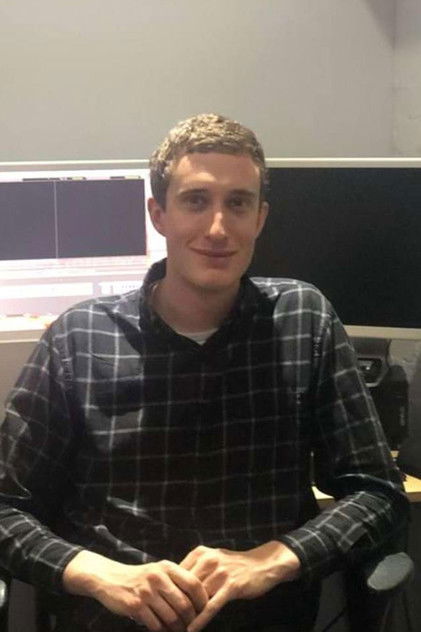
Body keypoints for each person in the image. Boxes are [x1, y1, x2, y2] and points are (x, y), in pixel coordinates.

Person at [0, 113, 408, 632]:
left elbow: (378, 493)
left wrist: (273, 559)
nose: (218, 228)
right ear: (158, 215)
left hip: (262, 620)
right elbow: (6, 508)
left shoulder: (303, 320)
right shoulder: (79, 338)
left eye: (238, 204)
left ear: (260, 218)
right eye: (196, 201)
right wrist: (99, 574)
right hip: (113, 620)